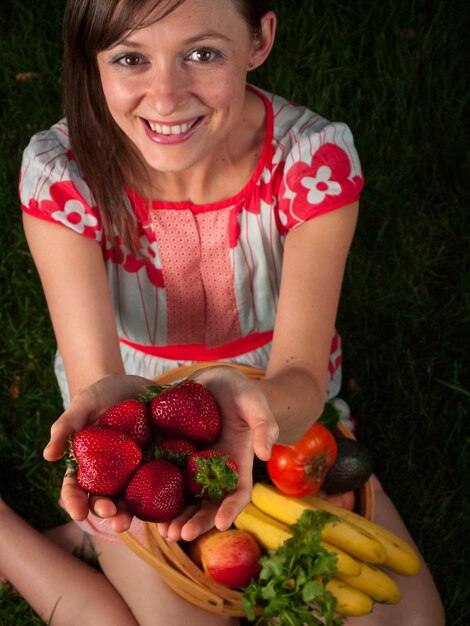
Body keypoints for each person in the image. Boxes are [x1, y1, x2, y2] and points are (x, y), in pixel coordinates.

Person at [0, 1, 444, 625]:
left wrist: (254, 411)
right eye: (130, 59)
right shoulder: (64, 175)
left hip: (279, 406)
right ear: (91, 61)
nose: (166, 97)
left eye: (202, 55)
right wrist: (116, 416)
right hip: (139, 426)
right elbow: (100, 375)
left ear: (260, 38)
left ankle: (93, 546)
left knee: (412, 621)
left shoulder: (310, 163)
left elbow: (300, 381)